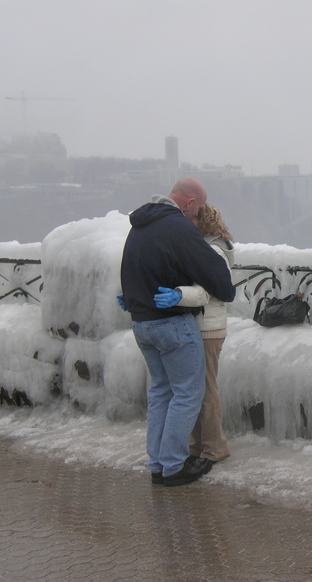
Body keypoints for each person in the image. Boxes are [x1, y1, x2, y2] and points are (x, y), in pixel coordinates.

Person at [118, 178, 236, 487]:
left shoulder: (139, 226)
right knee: (187, 394)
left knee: (160, 392)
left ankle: (157, 464)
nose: (196, 213)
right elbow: (218, 280)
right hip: (172, 324)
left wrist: (133, 297)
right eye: (196, 207)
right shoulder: (178, 228)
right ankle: (173, 466)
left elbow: (132, 268)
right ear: (188, 204)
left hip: (141, 321)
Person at [153, 204, 234, 471]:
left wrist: (178, 295)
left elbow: (208, 292)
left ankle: (213, 448)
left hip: (207, 328)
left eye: (191, 219)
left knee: (206, 390)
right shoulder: (208, 248)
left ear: (202, 221)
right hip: (199, 325)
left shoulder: (212, 251)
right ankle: (197, 445)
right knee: (196, 391)